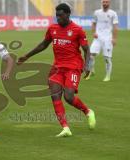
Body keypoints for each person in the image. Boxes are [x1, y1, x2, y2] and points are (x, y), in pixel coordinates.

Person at [17, 3, 96, 137]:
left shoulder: (77, 30)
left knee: (69, 97)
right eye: (56, 15)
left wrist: (88, 65)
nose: (58, 18)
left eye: (60, 15)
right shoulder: (52, 28)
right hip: (58, 68)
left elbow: (86, 50)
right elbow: (44, 44)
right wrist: (26, 56)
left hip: (73, 67)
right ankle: (65, 128)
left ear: (68, 14)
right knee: (55, 95)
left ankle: (88, 112)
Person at [85, 0, 118, 81]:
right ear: (101, 3)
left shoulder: (113, 13)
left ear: (109, 3)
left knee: (107, 58)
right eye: (104, 2)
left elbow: (115, 27)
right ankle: (91, 71)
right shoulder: (97, 12)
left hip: (108, 39)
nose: (105, 3)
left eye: (106, 2)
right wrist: (93, 33)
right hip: (98, 38)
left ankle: (107, 76)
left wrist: (114, 38)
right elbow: (93, 23)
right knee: (91, 55)